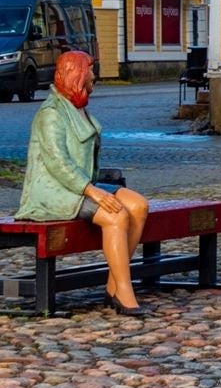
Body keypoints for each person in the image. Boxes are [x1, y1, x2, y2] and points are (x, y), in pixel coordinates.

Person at [15, 49, 152, 314]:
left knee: (138, 206)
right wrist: (94, 193)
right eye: (89, 70)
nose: (94, 76)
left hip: (82, 187)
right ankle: (124, 292)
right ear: (77, 74)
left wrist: (96, 189)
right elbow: (58, 163)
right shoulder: (51, 113)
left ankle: (114, 283)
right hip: (54, 192)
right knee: (116, 216)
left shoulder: (76, 108)